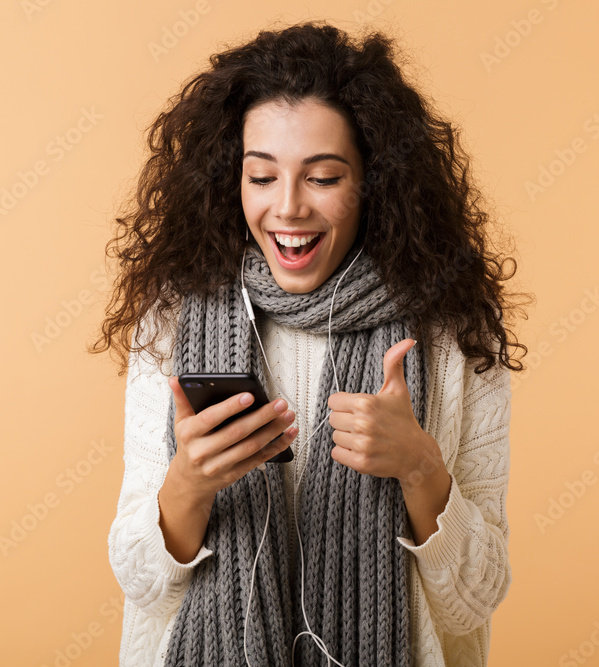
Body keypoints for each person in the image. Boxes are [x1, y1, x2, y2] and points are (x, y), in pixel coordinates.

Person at [91, 19, 528, 667]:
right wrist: (190, 482)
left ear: (373, 182)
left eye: (322, 177)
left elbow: (475, 600)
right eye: (261, 177)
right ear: (231, 179)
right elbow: (143, 587)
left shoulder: (450, 330)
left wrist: (419, 467)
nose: (288, 207)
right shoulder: (175, 321)